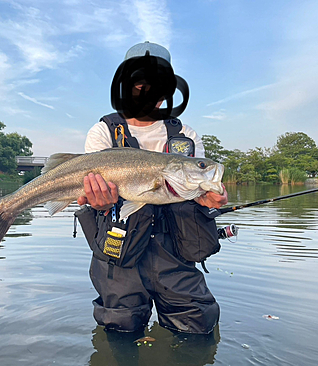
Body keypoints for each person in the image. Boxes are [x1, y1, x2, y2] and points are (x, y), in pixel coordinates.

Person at [76, 41, 228, 334]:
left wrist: (210, 197)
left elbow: (199, 189)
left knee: (198, 327)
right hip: (119, 254)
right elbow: (93, 196)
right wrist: (100, 201)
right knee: (119, 332)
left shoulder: (186, 135)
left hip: (175, 253)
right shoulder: (103, 132)